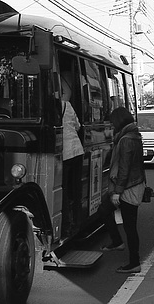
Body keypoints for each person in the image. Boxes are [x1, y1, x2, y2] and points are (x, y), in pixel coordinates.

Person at [99, 107, 145, 274]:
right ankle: (117, 242)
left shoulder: (126, 139)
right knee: (104, 209)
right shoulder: (133, 135)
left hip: (128, 188)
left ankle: (134, 262)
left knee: (130, 226)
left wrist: (118, 192)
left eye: (112, 123)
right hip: (131, 184)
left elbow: (124, 168)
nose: (111, 126)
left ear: (119, 122)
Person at [60, 73, 84, 234]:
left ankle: (66, 224)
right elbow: (78, 126)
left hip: (64, 153)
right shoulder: (67, 105)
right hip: (77, 149)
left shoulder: (48, 106)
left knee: (64, 189)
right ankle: (77, 223)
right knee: (75, 189)